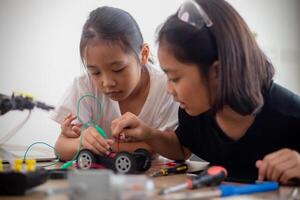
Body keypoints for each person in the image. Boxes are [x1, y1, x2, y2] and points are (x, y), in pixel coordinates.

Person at [111, 0, 300, 184]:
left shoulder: (290, 115)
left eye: (175, 78)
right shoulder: (194, 110)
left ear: (217, 71)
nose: (169, 90)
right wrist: (149, 134)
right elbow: (181, 146)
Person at [51, 6, 178, 161]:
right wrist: (82, 141)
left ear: (143, 54)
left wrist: (97, 147)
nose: (107, 83)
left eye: (118, 69)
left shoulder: (167, 88)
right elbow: (60, 148)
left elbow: (178, 149)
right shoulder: (85, 86)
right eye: (95, 72)